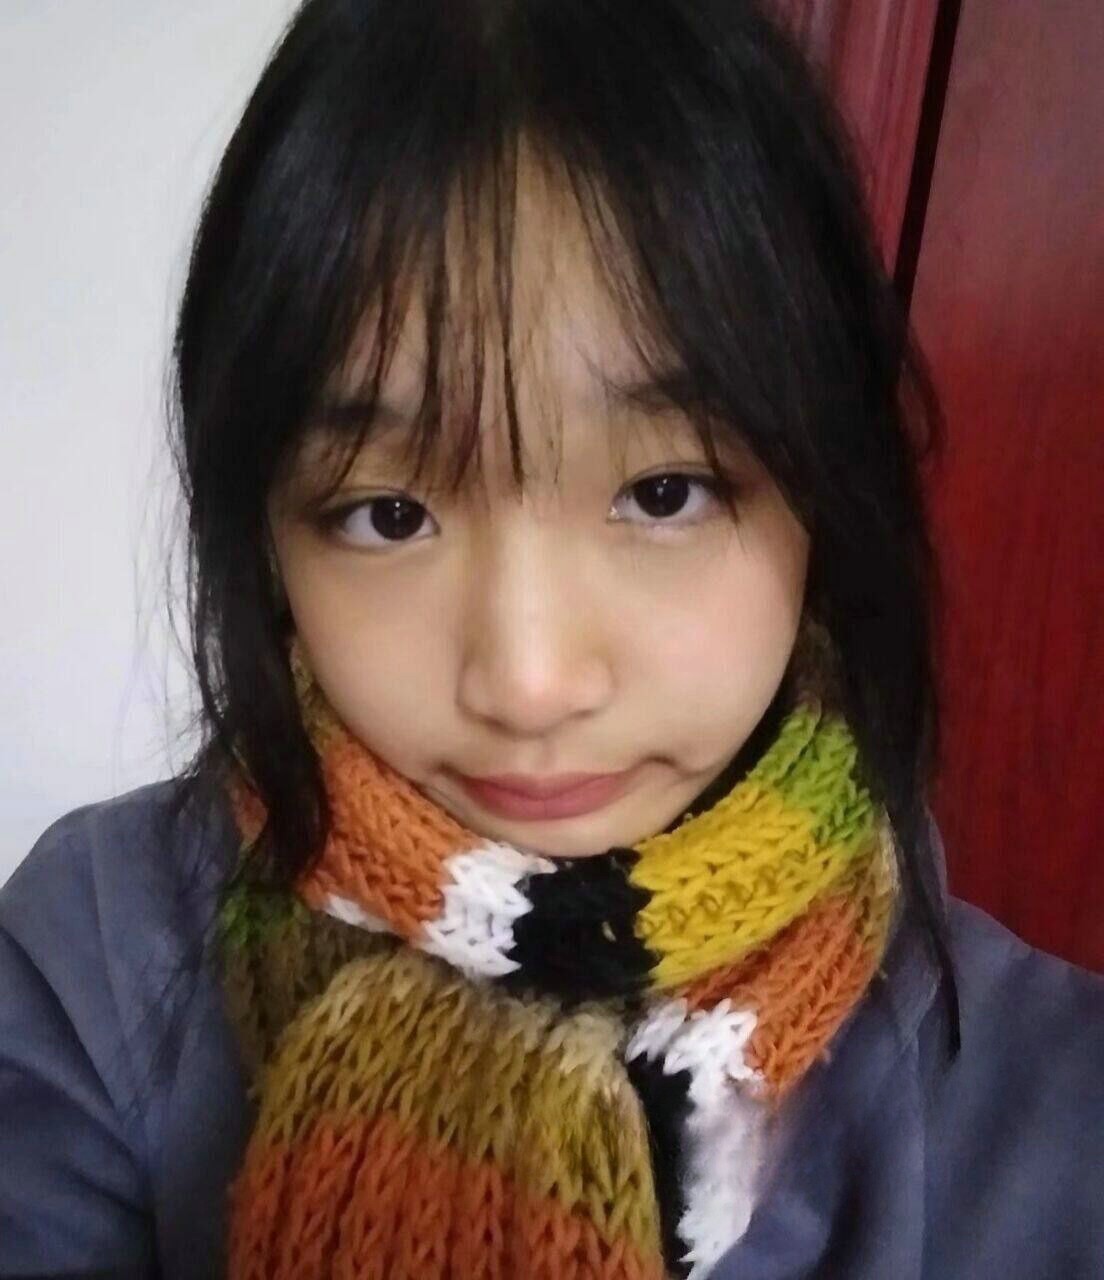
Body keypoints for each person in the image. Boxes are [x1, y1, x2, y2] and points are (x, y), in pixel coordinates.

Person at [2, 1, 1101, 1277]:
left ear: (828, 494)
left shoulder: (1051, 1113)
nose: (529, 681)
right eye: (388, 513)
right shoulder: (95, 959)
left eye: (665, 492)